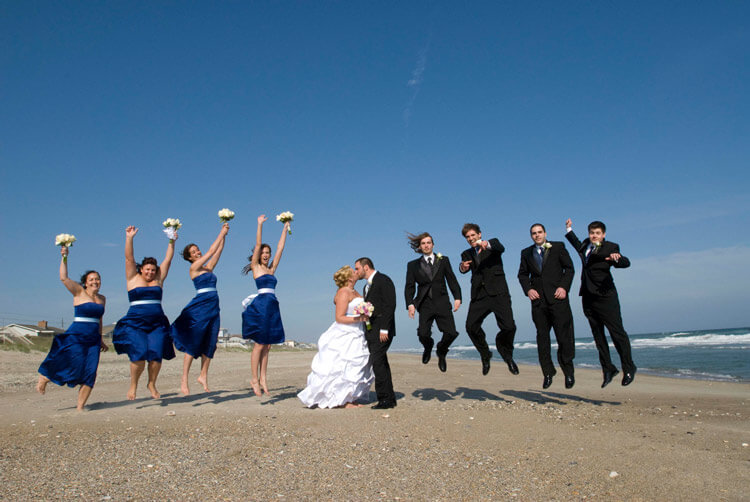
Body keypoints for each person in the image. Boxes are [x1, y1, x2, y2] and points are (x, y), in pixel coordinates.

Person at [565, 219, 635, 387]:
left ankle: (629, 367)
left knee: (617, 333)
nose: (594, 236)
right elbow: (575, 243)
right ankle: (608, 369)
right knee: (598, 336)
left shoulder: (611, 247)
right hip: (588, 297)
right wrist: (569, 229)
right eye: (591, 233)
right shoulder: (584, 245)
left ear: (603, 235)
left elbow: (624, 262)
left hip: (605, 297)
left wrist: (618, 259)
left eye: (597, 233)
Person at [37, 246, 107, 410]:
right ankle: (45, 378)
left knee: (90, 372)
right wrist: (64, 257)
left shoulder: (102, 299)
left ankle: (80, 408)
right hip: (76, 336)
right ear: (85, 282)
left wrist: (101, 338)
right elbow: (63, 278)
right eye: (91, 279)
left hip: (93, 341)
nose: (95, 281)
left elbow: (100, 319)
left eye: (97, 279)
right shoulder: (79, 292)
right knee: (73, 366)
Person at [113, 225, 177, 400]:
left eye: (153, 269)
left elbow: (168, 260)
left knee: (156, 356)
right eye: (147, 269)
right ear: (141, 269)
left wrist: (172, 240)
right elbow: (129, 258)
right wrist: (129, 238)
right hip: (136, 323)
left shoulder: (158, 279)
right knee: (138, 356)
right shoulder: (133, 278)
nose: (150, 272)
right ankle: (133, 385)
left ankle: (152, 383)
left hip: (157, 323)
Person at [298, 266, 374, 408]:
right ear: (349, 277)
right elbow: (339, 317)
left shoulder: (355, 291)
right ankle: (340, 400)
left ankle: (350, 397)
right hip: (345, 333)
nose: (356, 272)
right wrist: (360, 318)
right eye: (353, 271)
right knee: (342, 365)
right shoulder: (344, 292)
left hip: (357, 332)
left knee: (354, 366)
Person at [171, 222, 229, 396]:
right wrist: (220, 231)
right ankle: (184, 379)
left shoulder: (208, 268)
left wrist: (224, 236)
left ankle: (203, 375)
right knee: (193, 342)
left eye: (198, 249)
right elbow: (211, 251)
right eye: (194, 252)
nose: (198, 252)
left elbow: (217, 253)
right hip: (200, 306)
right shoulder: (194, 268)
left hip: (214, 307)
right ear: (190, 257)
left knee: (212, 342)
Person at [518, 223, 576, 389]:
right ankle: (548, 372)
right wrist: (528, 289)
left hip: (558, 300)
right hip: (538, 303)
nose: (537, 235)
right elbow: (522, 275)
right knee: (542, 338)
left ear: (545, 233)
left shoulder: (558, 247)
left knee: (564, 337)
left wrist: (563, 287)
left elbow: (569, 269)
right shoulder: (526, 253)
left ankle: (568, 371)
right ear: (531, 236)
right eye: (534, 233)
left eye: (539, 232)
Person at [459, 223, 518, 376]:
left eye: (473, 235)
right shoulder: (466, 253)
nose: (471, 239)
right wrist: (462, 267)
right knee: (471, 327)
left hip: (498, 292)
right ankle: (485, 354)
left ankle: (506, 353)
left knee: (509, 327)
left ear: (479, 234)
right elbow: (464, 268)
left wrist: (487, 245)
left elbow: (500, 248)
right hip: (479, 295)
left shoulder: (494, 244)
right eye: (468, 237)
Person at [241, 214, 290, 397]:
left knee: (268, 345)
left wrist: (284, 229)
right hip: (261, 306)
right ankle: (254, 379)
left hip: (272, 306)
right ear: (258, 254)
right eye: (263, 252)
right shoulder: (256, 267)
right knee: (260, 344)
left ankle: (263, 379)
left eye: (267, 253)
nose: (266, 255)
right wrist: (259, 224)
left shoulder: (271, 269)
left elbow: (280, 248)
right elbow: (258, 241)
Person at [404, 232, 462, 372]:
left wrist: (457, 297)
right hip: (425, 304)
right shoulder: (412, 265)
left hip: (442, 302)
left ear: (433, 245)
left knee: (451, 333)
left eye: (428, 243)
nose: (426, 245)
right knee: (423, 334)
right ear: (420, 246)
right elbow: (409, 286)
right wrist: (410, 304)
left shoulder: (443, 260)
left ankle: (441, 351)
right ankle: (428, 347)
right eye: (423, 243)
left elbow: (452, 279)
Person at [353, 257, 397, 409]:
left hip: (382, 330)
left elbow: (390, 305)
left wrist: (385, 328)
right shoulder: (366, 286)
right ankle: (390, 398)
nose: (355, 272)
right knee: (381, 362)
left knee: (377, 362)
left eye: (357, 268)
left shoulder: (383, 280)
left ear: (366, 267)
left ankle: (384, 399)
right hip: (371, 329)